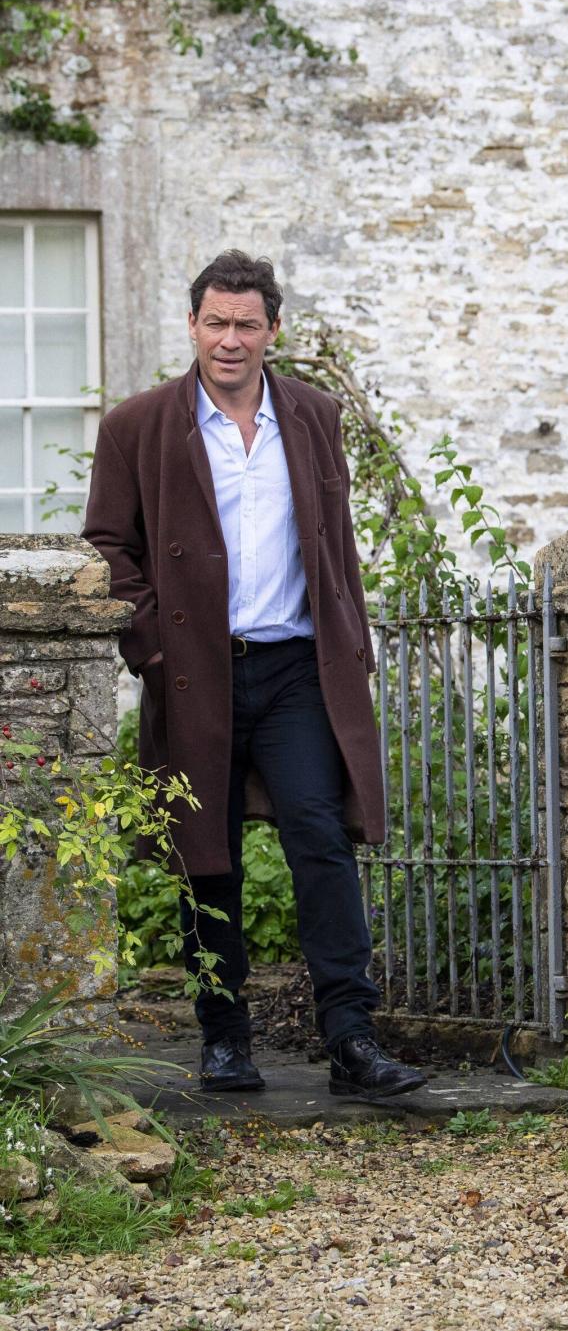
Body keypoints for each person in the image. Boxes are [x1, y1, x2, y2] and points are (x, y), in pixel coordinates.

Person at [84, 250, 425, 1100]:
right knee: (209, 852)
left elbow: (333, 544)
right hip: (192, 669)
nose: (229, 340)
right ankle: (224, 1035)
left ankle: (351, 1037)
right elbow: (109, 547)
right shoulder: (138, 426)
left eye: (246, 324)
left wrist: (348, 641)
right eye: (215, 322)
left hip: (296, 666)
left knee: (321, 837)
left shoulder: (313, 415)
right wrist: (153, 650)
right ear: (192, 325)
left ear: (273, 330)